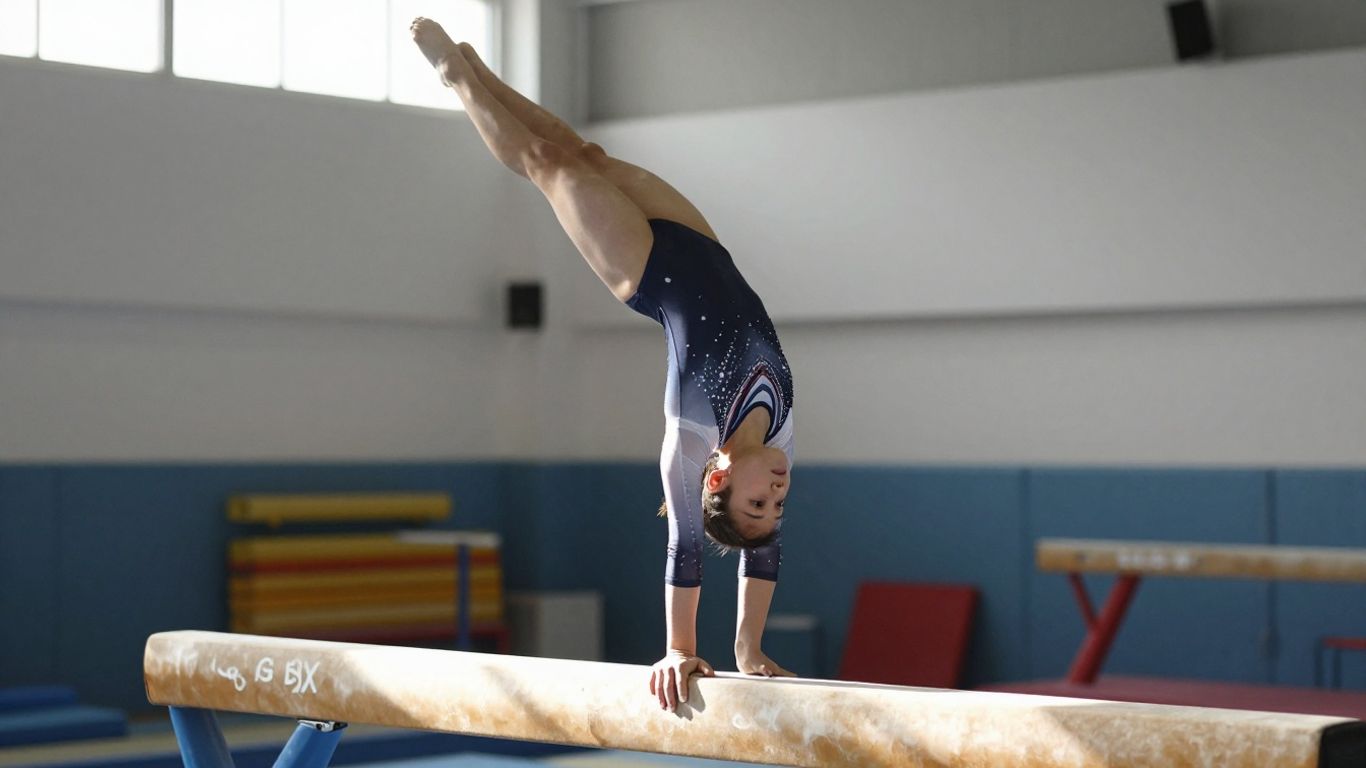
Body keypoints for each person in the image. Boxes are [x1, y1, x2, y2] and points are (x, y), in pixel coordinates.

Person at [410, 18, 796, 713]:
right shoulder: (780, 434)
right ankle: (483, 71)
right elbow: (764, 553)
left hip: (646, 272)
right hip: (701, 244)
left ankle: (458, 80)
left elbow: (685, 550)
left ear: (718, 479)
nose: (777, 491)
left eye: (758, 503)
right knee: (584, 152)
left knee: (548, 164)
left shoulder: (691, 437)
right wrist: (748, 647)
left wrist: (681, 647)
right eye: (777, 505)